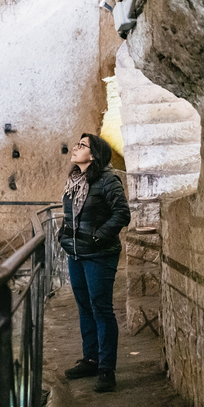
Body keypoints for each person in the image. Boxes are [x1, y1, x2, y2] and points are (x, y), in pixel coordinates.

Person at [59, 133, 130, 392]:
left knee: (101, 309)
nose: (76, 148)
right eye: (77, 144)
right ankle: (90, 359)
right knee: (85, 307)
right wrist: (63, 235)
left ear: (94, 154)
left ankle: (106, 369)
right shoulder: (75, 180)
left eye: (82, 145)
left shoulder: (108, 180)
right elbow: (70, 216)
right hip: (77, 254)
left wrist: (99, 238)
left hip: (99, 254)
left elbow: (122, 213)